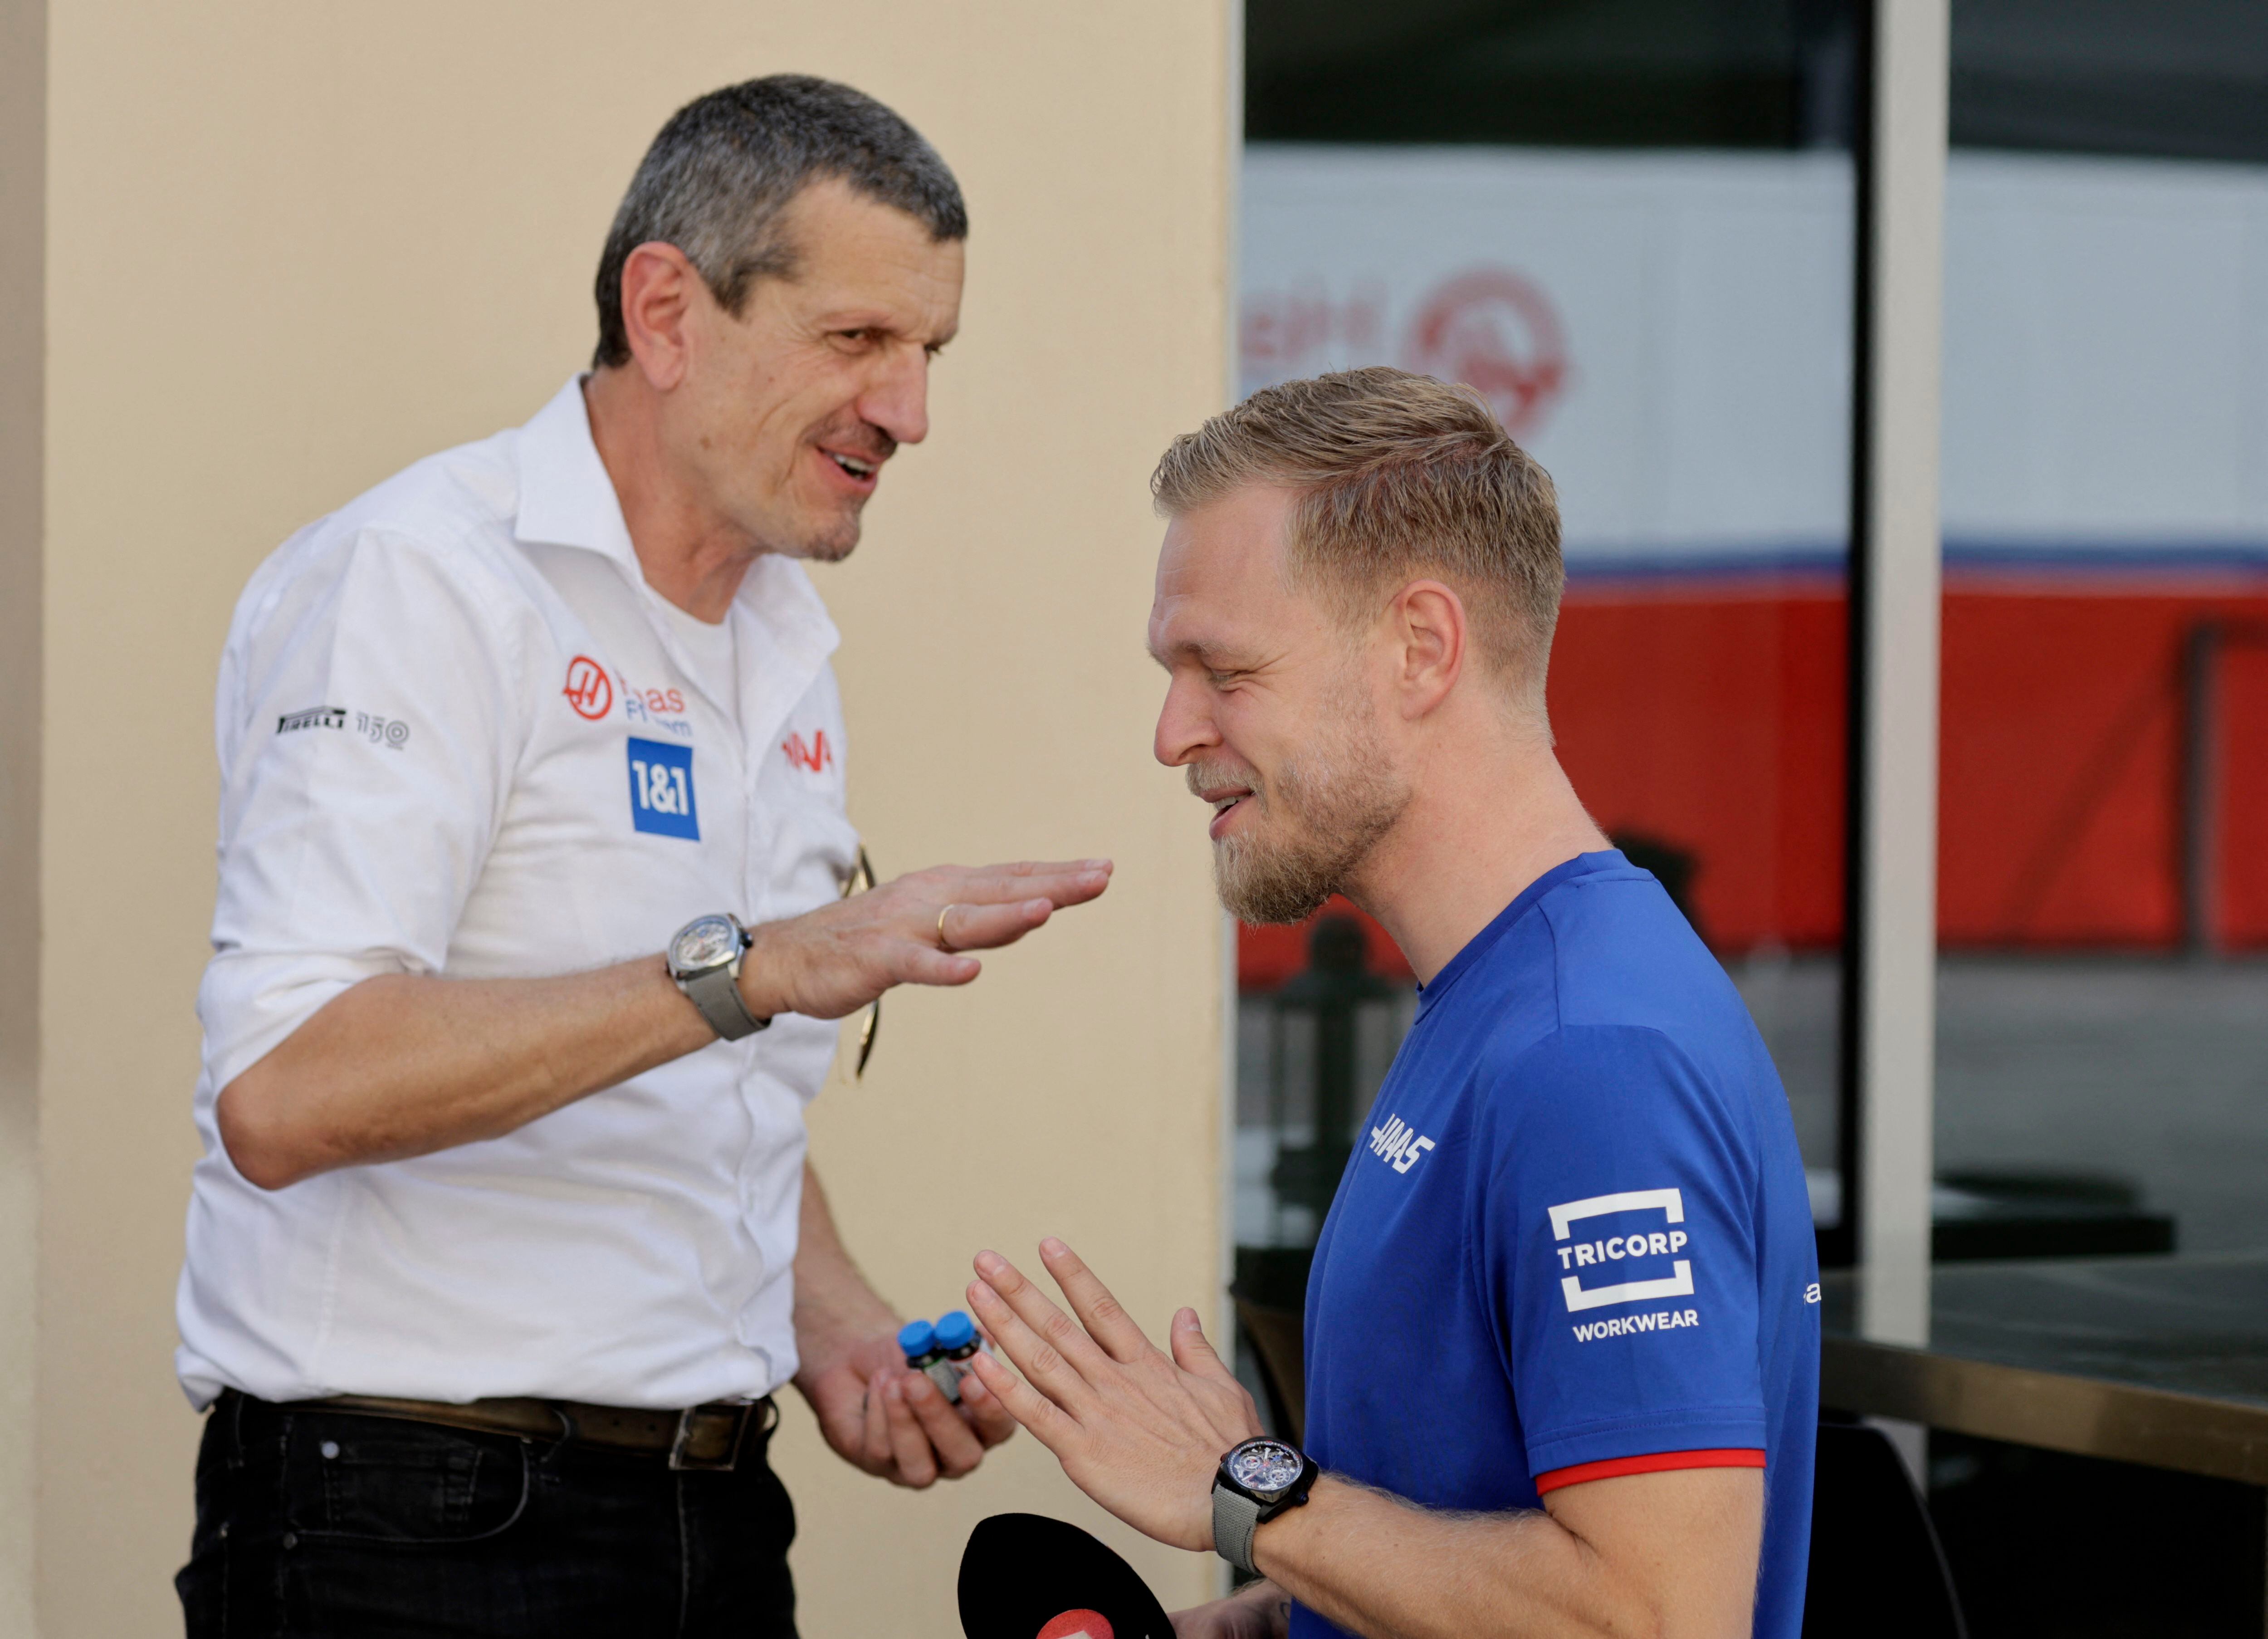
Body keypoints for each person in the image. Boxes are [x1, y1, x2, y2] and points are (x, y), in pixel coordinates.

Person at [173, 76, 1111, 1638]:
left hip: (716, 1515)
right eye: (857, 340)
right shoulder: (422, 586)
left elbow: (696, 1073)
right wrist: (745, 971)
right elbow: (284, 1086)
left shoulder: (779, 639)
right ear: (666, 311)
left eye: (929, 352)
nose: (911, 411)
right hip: (413, 1531)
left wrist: (844, 1335)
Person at [963, 368, 1819, 1639]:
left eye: (1224, 668)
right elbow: (1467, 1540)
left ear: (1421, 648)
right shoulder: (1497, 1002)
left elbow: (1654, 1615)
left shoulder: (1591, 1058)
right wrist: (1251, 1619)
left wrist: (1246, 1488)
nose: (1172, 731)